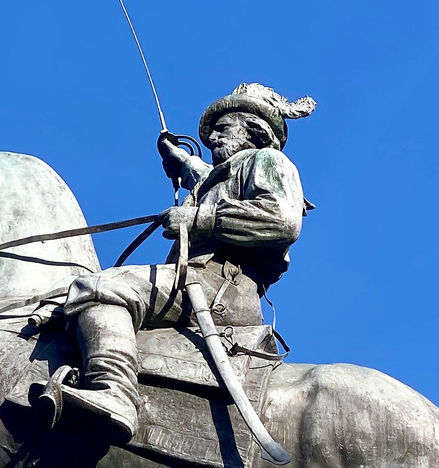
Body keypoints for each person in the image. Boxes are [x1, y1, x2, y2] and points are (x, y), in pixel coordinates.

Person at [56, 83, 315, 441]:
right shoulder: (221, 175)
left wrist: (198, 219)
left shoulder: (268, 161)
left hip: (220, 287)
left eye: (222, 129)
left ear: (252, 130)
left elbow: (282, 220)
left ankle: (114, 393)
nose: (212, 138)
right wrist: (177, 157)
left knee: (101, 286)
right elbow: (203, 174)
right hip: (197, 281)